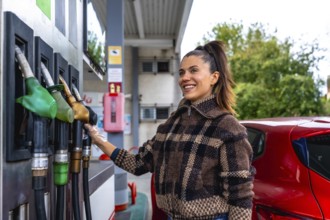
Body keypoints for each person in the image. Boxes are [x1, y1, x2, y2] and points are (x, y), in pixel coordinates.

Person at [84, 40, 255, 220]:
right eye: (181, 72)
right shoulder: (171, 125)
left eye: (194, 70)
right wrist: (98, 140)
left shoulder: (227, 126)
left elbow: (240, 195)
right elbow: (138, 163)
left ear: (214, 77)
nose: (185, 77)